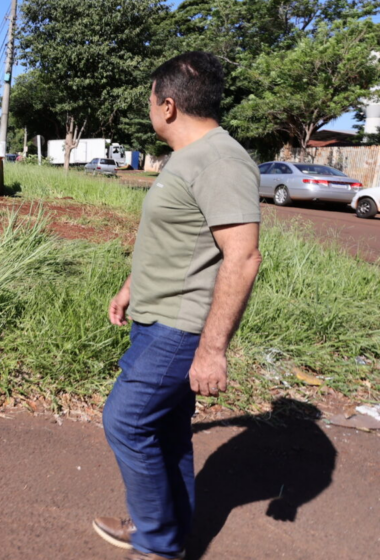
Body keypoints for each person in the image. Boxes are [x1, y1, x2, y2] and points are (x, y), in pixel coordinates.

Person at [92, 52, 263, 560]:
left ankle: (157, 541)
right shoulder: (187, 158)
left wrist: (212, 350)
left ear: (167, 106)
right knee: (167, 432)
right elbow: (175, 239)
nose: (148, 109)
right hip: (155, 317)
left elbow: (243, 256)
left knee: (126, 422)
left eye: (150, 100)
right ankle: (171, 529)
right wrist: (130, 287)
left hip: (179, 328)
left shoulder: (220, 161)